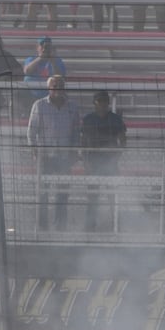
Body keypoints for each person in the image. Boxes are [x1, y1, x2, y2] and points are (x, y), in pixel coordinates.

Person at [27, 76, 81, 231]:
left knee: (62, 193)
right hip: (45, 156)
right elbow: (31, 131)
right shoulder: (40, 105)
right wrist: (34, 150)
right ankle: (42, 226)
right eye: (54, 85)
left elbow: (76, 132)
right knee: (42, 193)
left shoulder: (72, 107)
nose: (57, 88)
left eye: (60, 85)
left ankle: (60, 227)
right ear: (49, 88)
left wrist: (74, 151)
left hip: (64, 156)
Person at [79, 90, 126, 232]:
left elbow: (123, 139)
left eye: (105, 101)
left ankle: (116, 225)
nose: (103, 104)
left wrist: (117, 156)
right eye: (100, 101)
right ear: (95, 103)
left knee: (113, 196)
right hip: (93, 162)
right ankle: (90, 226)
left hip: (110, 162)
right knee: (93, 196)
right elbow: (83, 142)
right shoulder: (88, 119)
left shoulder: (115, 119)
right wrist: (85, 161)